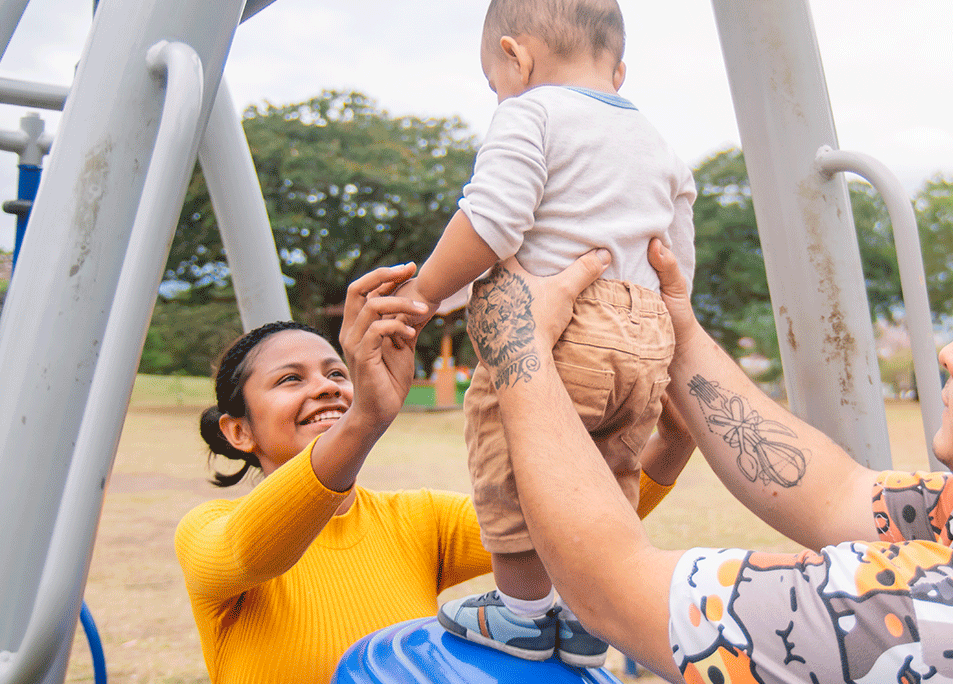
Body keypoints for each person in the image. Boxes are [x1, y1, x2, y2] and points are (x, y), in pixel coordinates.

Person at [465, 211, 953, 683]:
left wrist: (518, 349)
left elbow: (611, 587)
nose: (946, 353)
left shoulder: (944, 620)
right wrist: (680, 327)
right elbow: (837, 493)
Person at [174, 265, 693, 684]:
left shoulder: (417, 520)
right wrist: (365, 419)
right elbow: (253, 551)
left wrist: (672, 442)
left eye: (337, 373)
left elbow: (559, 519)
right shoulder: (206, 531)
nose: (328, 387)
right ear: (238, 432)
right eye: (291, 379)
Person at [392, 0, 697, 668]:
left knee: (512, 458)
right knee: (608, 469)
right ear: (617, 70)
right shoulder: (658, 144)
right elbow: (673, 259)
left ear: (515, 56)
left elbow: (493, 223)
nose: (497, 92)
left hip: (559, 335)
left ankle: (525, 613)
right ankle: (594, 616)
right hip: (642, 335)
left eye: (493, 80)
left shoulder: (529, 113)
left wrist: (427, 291)